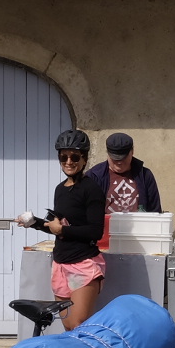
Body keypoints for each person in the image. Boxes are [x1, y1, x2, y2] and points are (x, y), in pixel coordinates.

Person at [17, 129, 107, 328]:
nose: (68, 162)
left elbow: (95, 231)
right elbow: (57, 226)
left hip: (83, 264)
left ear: (84, 159)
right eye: (63, 157)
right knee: (67, 326)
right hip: (61, 265)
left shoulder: (91, 189)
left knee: (78, 324)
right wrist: (34, 223)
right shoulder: (60, 189)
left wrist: (63, 231)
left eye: (74, 157)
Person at [86, 132, 162, 214]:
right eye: (115, 158)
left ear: (132, 152)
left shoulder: (145, 176)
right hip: (106, 222)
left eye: (123, 158)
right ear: (108, 154)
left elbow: (155, 212)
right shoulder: (94, 176)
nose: (119, 162)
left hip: (138, 222)